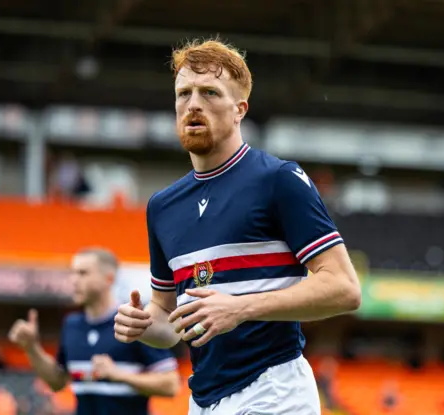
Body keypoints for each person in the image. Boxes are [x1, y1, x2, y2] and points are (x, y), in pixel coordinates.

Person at [113, 38, 362, 414]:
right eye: (184, 94)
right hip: (203, 401)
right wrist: (143, 325)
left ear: (239, 110)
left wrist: (240, 309)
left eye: (209, 92)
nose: (193, 104)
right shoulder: (161, 207)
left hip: (274, 391)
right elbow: (168, 320)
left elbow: (344, 288)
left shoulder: (279, 179)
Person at [8, 247, 180, 415]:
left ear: (109, 279)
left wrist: (119, 375)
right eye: (73, 273)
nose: (74, 280)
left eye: (83, 273)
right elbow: (57, 382)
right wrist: (31, 348)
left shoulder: (129, 323)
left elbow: (171, 385)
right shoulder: (71, 325)